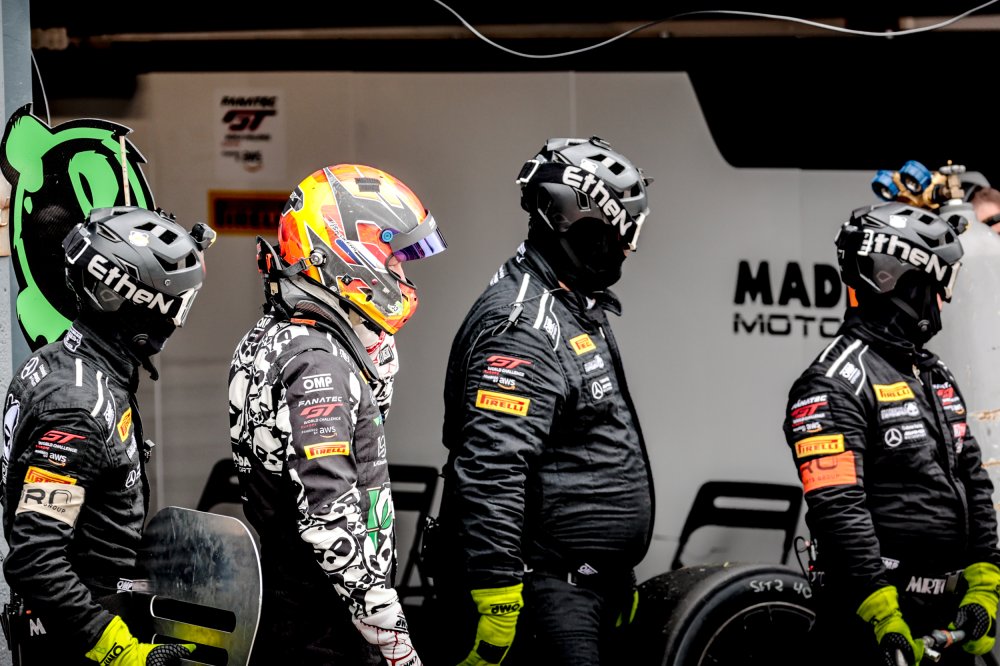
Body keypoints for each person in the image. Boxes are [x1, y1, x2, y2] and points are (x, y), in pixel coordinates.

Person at [432, 136, 655, 665]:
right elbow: (491, 468)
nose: (628, 248)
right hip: (544, 595)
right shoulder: (523, 329)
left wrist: (613, 574)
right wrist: (498, 598)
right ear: (582, 225)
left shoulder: (566, 303)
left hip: (582, 589)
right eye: (623, 231)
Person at [228, 164, 447, 666]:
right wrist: (393, 639)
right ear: (347, 254)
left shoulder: (277, 335)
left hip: (295, 611)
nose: (401, 277)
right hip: (326, 627)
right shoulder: (317, 363)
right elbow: (329, 513)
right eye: (394, 261)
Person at [782, 201, 1000, 665]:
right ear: (901, 282)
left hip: (947, 617)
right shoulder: (831, 383)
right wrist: (882, 612)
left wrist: (985, 583)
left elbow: (974, 481)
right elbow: (839, 508)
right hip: (875, 622)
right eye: (937, 286)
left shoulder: (934, 373)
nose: (942, 301)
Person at [1, 206, 215, 665]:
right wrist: (124, 654)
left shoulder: (59, 361)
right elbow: (35, 560)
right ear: (138, 307)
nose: (177, 320)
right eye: (175, 305)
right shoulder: (78, 408)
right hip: (80, 642)